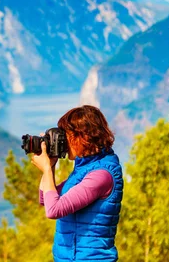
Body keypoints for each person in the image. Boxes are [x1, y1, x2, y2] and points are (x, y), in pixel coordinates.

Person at [31, 105, 123, 262]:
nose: (64, 142)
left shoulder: (102, 175)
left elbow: (53, 210)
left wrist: (46, 169)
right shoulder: (83, 169)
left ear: (84, 136)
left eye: (67, 136)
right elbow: (44, 200)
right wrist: (51, 165)